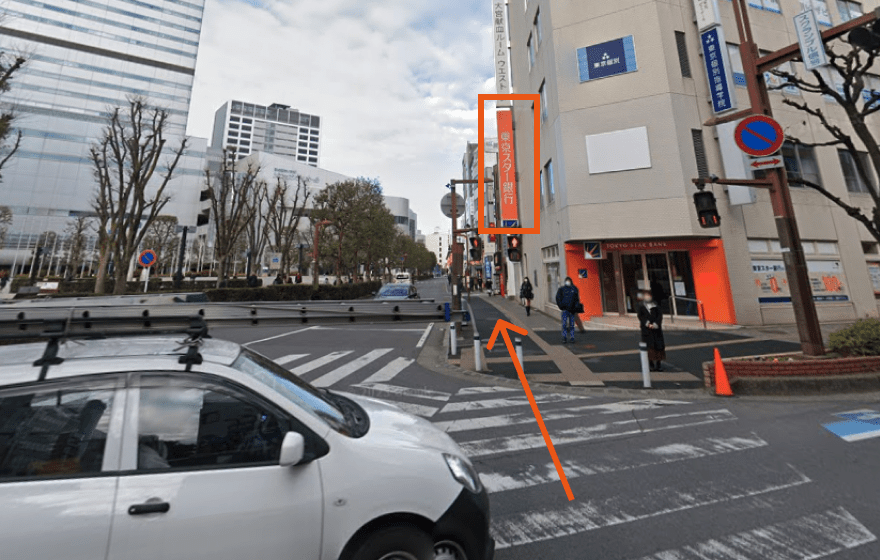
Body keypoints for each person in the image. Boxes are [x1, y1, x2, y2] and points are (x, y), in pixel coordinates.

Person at [638, 289, 666, 372]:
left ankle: (659, 364)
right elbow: (641, 316)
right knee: (649, 348)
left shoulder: (656, 306)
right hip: (647, 331)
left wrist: (655, 324)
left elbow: (660, 316)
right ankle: (651, 364)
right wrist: (647, 324)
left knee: (659, 347)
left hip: (656, 331)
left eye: (648, 295)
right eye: (645, 296)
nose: (647, 297)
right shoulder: (641, 306)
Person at [555, 276, 580, 343]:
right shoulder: (561, 289)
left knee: (572, 325)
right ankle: (564, 337)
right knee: (564, 324)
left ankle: (572, 337)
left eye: (568, 281)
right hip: (565, 310)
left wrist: (576, 307)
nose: (568, 282)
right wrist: (561, 306)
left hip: (572, 310)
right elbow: (558, 298)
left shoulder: (574, 289)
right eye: (567, 281)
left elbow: (577, 299)